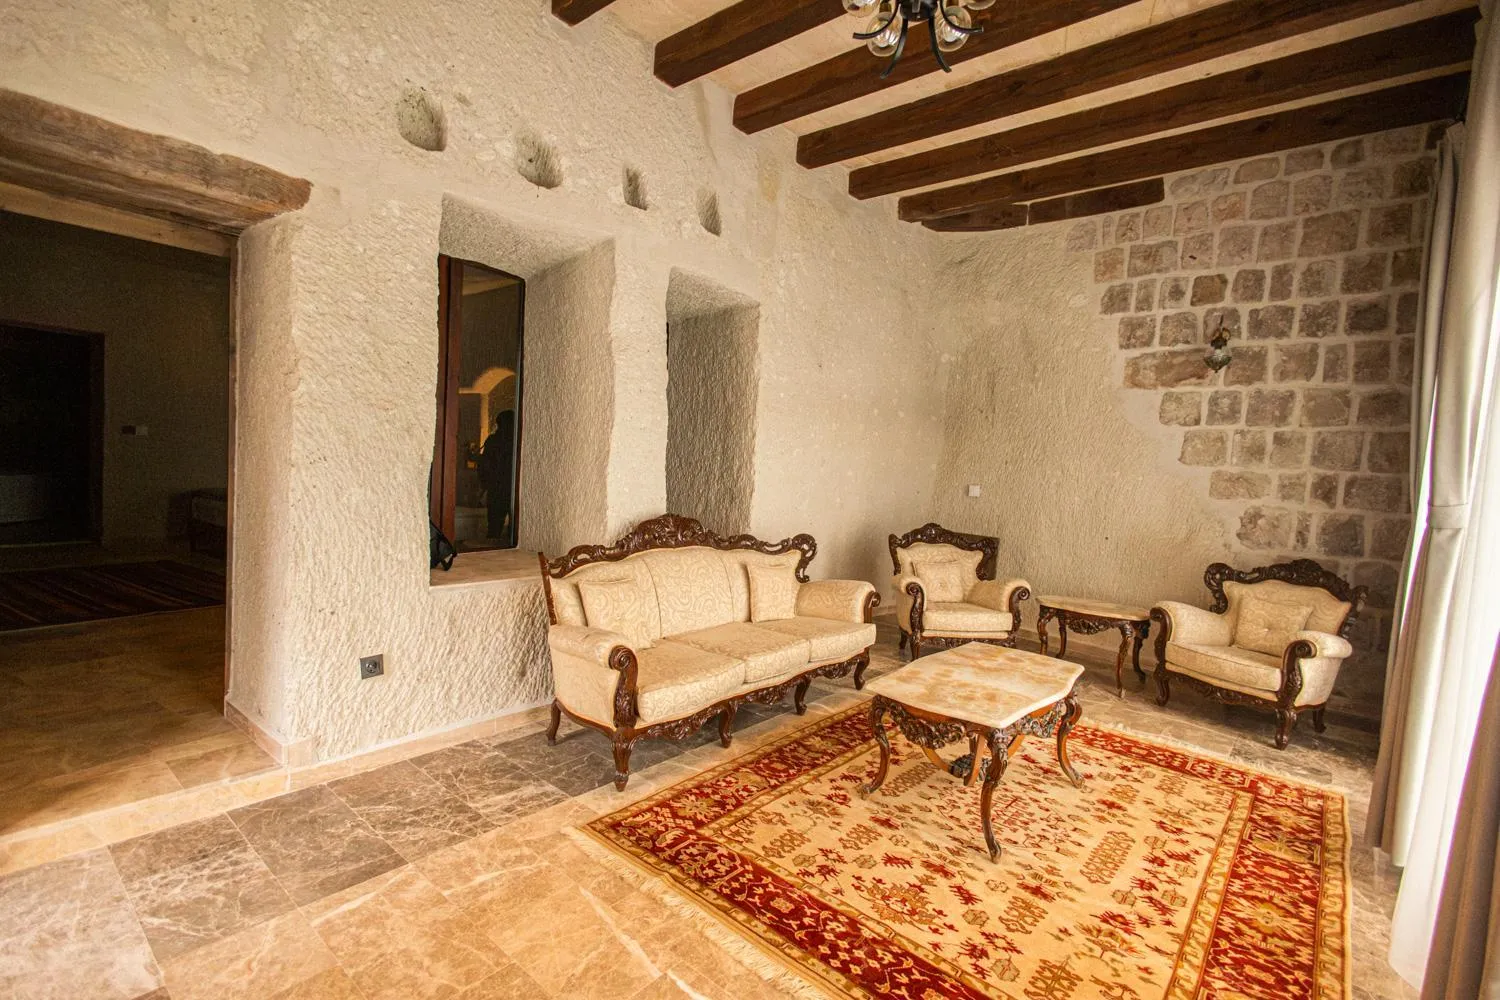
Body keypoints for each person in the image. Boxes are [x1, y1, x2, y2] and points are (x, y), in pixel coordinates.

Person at [477, 410, 515, 544]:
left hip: (499, 488)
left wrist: (484, 485)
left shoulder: (494, 441)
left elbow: (484, 466)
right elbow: (485, 465)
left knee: (495, 528)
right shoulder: (514, 441)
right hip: (507, 488)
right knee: (511, 531)